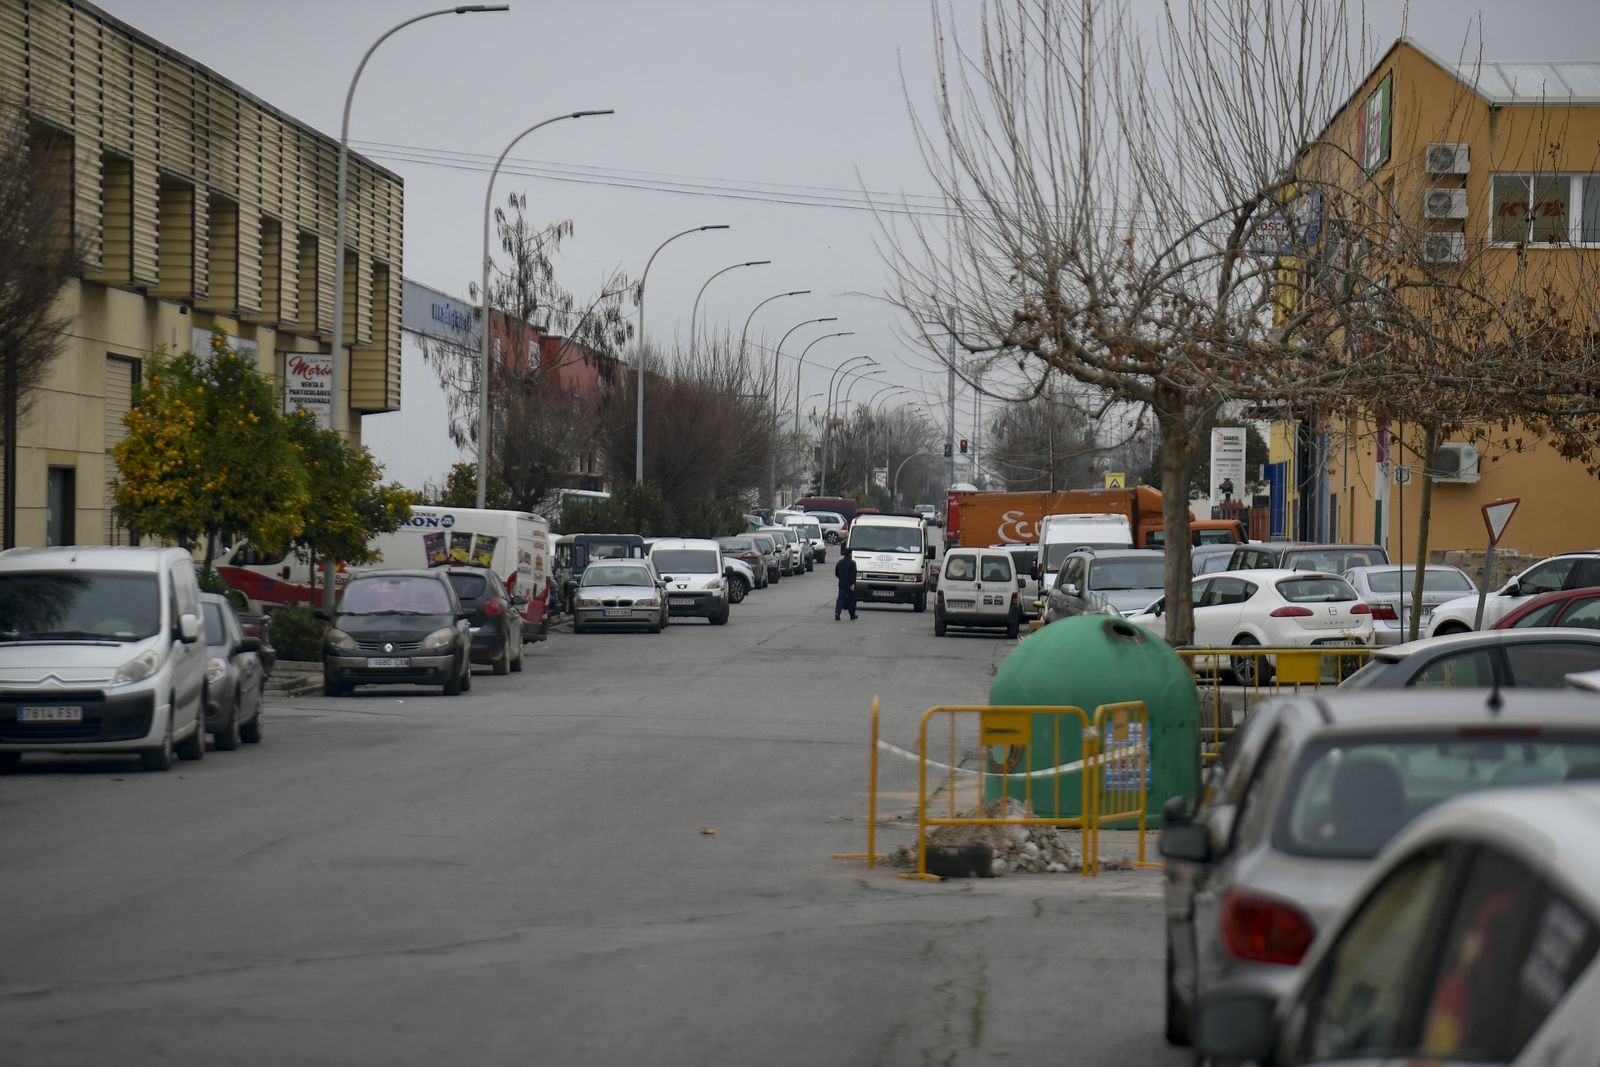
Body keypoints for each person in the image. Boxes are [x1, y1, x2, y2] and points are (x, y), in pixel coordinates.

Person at [835, 547, 858, 621]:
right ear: (850, 554)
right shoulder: (852, 563)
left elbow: (837, 573)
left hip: (842, 583)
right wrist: (852, 583)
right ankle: (852, 615)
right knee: (851, 600)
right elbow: (853, 575)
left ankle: (837, 612)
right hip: (849, 584)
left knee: (840, 599)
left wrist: (841, 578)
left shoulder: (839, 562)